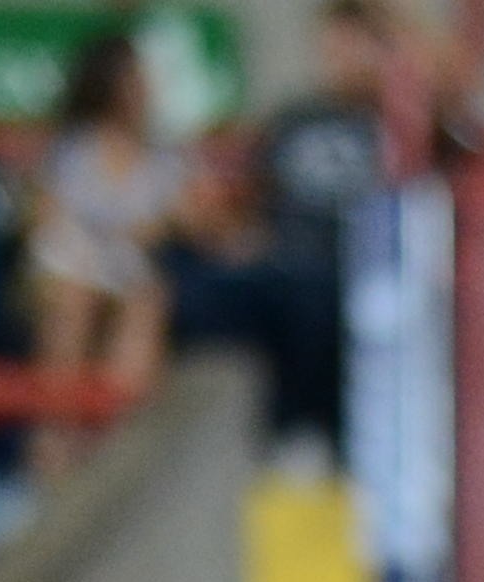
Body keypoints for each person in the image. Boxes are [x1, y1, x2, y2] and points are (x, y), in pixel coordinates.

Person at [170, 0, 409, 455]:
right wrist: (227, 229)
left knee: (317, 299)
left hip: (355, 266)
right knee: (201, 289)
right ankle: (218, 443)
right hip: (283, 264)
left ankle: (309, 432)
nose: (337, 58)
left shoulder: (399, 125)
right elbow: (247, 199)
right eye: (331, 46)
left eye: (351, 45)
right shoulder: (294, 120)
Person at [26, 21, 184, 467]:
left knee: (145, 305)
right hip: (72, 265)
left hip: (132, 269)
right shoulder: (70, 151)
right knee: (74, 297)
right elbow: (46, 219)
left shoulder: (162, 156)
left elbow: (171, 221)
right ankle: (55, 436)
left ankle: (122, 446)